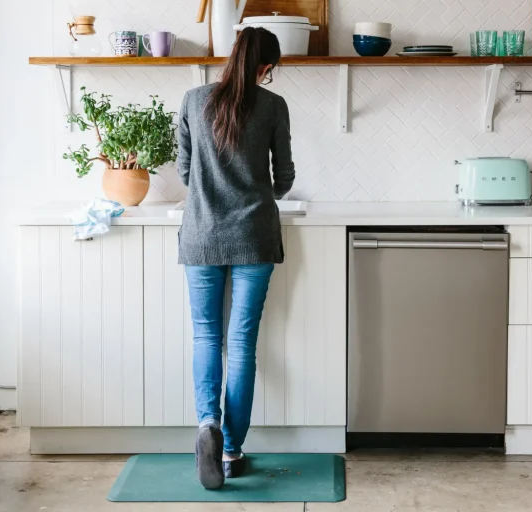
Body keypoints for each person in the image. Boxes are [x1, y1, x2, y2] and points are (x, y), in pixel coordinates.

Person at [176, 27, 295, 490]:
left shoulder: (192, 99)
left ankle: (208, 425)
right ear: (266, 66)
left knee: (206, 336)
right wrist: (262, 190)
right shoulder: (273, 106)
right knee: (241, 343)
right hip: (254, 236)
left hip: (202, 235)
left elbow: (186, 172)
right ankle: (230, 451)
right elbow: (282, 176)